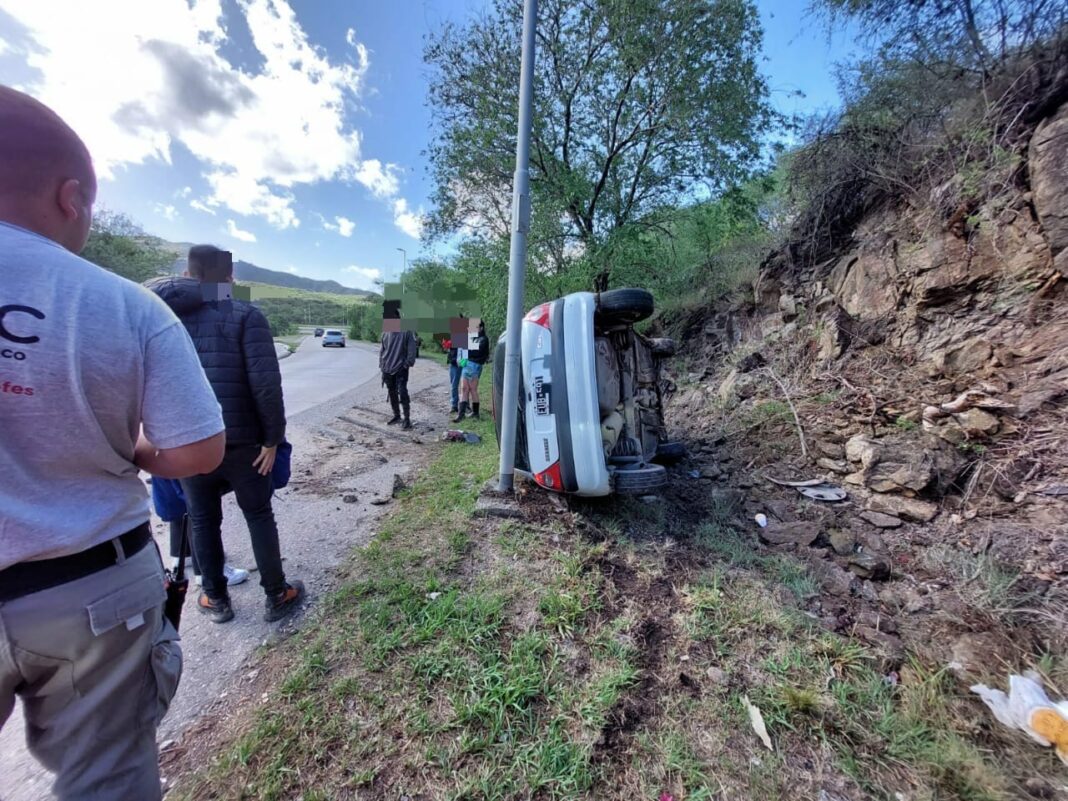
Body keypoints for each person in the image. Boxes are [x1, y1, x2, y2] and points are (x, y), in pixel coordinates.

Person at [0, 86, 226, 800]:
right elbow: (198, 447)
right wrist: (138, 453)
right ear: (71, 196)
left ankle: (219, 589)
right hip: (91, 588)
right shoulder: (121, 303)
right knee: (109, 781)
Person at [146, 247, 304, 625]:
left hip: (189, 443)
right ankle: (276, 594)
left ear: (187, 273)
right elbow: (266, 385)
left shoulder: (164, 316)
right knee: (259, 514)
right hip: (246, 443)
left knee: (202, 520)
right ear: (230, 279)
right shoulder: (246, 315)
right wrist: (272, 440)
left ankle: (215, 598)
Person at [379, 300, 418, 430]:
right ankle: (397, 415)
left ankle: (407, 419)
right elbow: (382, 350)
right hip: (387, 368)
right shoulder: (385, 332)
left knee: (403, 392)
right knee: (392, 393)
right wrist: (381, 365)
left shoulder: (407, 331)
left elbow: (412, 350)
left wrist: (407, 364)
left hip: (400, 368)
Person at [454, 319, 489, 422]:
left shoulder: (483, 339)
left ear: (481, 328)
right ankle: (467, 413)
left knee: (468, 389)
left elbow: (475, 351)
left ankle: (469, 413)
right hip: (470, 365)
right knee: (468, 389)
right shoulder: (473, 338)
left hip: (473, 365)